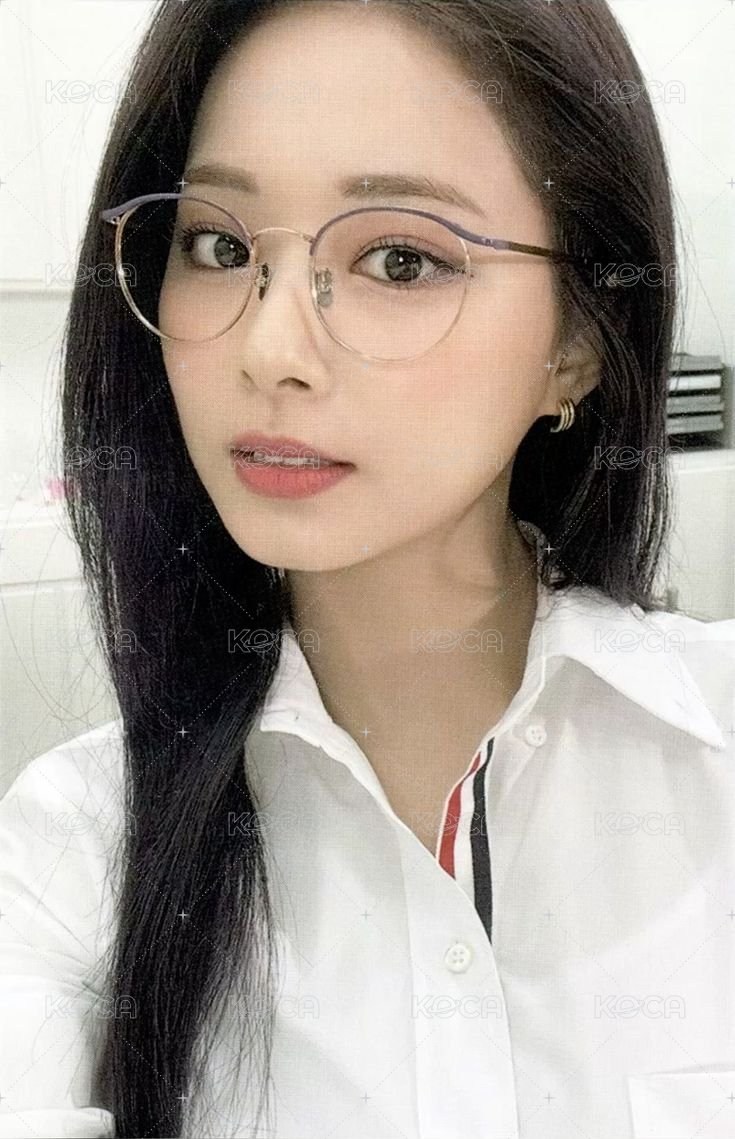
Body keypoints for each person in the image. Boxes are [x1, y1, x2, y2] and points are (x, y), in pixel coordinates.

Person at [1, 1, 733, 1137]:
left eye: (400, 259)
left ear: (577, 342)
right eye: (220, 247)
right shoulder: (76, 849)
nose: (269, 350)